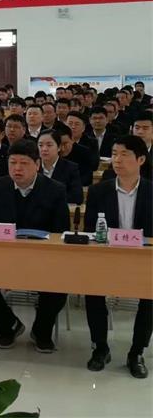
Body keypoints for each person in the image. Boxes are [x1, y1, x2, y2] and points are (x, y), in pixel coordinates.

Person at [0, 139, 69, 352]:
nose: (17, 168)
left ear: (37, 164)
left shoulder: (55, 190)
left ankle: (41, 332)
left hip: (43, 257)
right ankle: (7, 326)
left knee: (60, 284)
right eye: (12, 163)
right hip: (3, 256)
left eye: (24, 163)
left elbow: (60, 231)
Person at [84, 135, 152, 378]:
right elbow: (90, 230)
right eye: (114, 154)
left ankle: (137, 352)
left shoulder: (151, 191)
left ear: (141, 159)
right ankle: (100, 348)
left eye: (124, 154)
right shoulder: (98, 191)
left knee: (150, 296)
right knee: (92, 290)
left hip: (144, 258)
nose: (117, 160)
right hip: (107, 255)